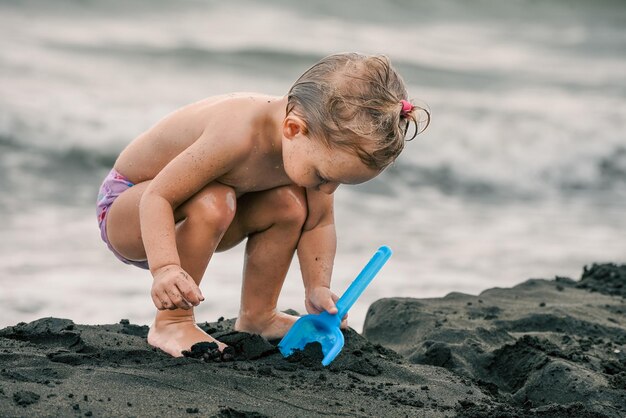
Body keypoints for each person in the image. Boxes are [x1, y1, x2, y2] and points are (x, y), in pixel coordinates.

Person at [96, 52, 429, 357]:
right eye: (323, 175)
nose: (327, 188)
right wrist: (166, 268)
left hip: (201, 218)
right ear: (293, 128)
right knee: (214, 201)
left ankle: (258, 316)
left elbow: (318, 223)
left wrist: (317, 287)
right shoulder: (237, 133)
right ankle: (172, 322)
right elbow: (159, 196)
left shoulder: (312, 143)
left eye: (338, 182)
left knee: (291, 205)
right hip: (131, 209)